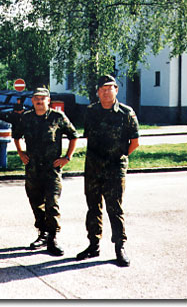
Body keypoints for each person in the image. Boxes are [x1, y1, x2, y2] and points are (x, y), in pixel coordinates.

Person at [76, 75, 140, 267]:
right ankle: (93, 245)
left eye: (109, 88)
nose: (105, 92)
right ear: (98, 92)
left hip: (114, 169)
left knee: (115, 208)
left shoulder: (126, 113)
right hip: (93, 168)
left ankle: (119, 247)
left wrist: (117, 158)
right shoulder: (91, 112)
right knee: (93, 208)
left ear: (116, 90)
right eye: (102, 89)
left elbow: (134, 143)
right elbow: (88, 137)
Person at [12, 88, 79, 256]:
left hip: (52, 170)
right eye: (36, 98)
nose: (39, 101)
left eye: (42, 98)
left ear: (49, 100)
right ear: (32, 101)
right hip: (33, 169)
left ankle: (53, 238)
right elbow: (16, 135)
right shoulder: (26, 117)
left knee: (52, 204)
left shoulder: (58, 117)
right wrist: (21, 153)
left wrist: (67, 158)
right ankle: (42, 233)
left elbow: (74, 136)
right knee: (36, 203)